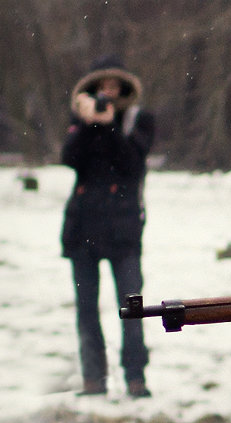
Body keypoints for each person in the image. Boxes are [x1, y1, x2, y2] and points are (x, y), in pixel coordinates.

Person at [61, 56, 155, 398]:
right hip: (83, 227)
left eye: (114, 87)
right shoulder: (81, 122)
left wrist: (111, 125)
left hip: (124, 230)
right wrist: (88, 124)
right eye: (102, 87)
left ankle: (135, 379)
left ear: (125, 89)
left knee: (132, 308)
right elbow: (69, 159)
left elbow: (132, 163)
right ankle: (93, 380)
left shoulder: (139, 121)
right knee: (87, 309)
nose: (107, 94)